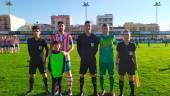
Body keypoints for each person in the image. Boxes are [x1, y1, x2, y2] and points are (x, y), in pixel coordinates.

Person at [51, 21, 74, 96]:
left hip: (66, 58)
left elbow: (72, 46)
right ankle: (57, 89)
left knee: (69, 74)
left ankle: (70, 90)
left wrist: (67, 52)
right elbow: (51, 46)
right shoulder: (54, 36)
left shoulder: (68, 36)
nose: (61, 27)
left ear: (64, 27)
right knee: (57, 74)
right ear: (58, 27)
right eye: (59, 26)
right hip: (57, 58)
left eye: (62, 26)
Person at [77, 20, 99, 96]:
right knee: (82, 75)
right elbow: (78, 48)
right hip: (84, 59)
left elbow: (96, 48)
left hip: (92, 59)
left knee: (93, 75)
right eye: (86, 26)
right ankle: (81, 92)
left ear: (91, 27)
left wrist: (92, 55)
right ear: (84, 27)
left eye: (89, 26)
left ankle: (95, 92)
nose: (88, 27)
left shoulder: (94, 37)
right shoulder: (81, 37)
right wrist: (82, 56)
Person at [25, 25, 49, 95]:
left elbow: (47, 49)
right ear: (32, 32)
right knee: (32, 75)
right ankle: (30, 89)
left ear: (40, 32)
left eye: (37, 31)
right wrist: (31, 57)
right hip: (33, 60)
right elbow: (29, 50)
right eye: (34, 31)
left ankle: (47, 89)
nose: (36, 32)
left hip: (41, 60)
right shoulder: (29, 41)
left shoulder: (43, 40)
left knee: (44, 74)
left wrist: (45, 57)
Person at [116, 29, 138, 96]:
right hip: (122, 63)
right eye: (125, 34)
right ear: (123, 36)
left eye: (128, 34)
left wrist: (136, 63)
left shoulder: (133, 45)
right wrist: (116, 64)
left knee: (131, 78)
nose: (126, 36)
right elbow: (117, 55)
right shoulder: (119, 45)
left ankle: (132, 93)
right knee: (121, 78)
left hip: (130, 63)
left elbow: (134, 55)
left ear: (130, 36)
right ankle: (121, 93)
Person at [99, 24, 116, 96]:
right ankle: (102, 90)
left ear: (109, 29)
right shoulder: (99, 37)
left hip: (110, 60)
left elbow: (116, 44)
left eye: (106, 28)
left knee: (111, 75)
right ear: (102, 29)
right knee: (101, 75)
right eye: (104, 28)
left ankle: (112, 90)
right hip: (102, 60)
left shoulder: (112, 37)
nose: (105, 30)